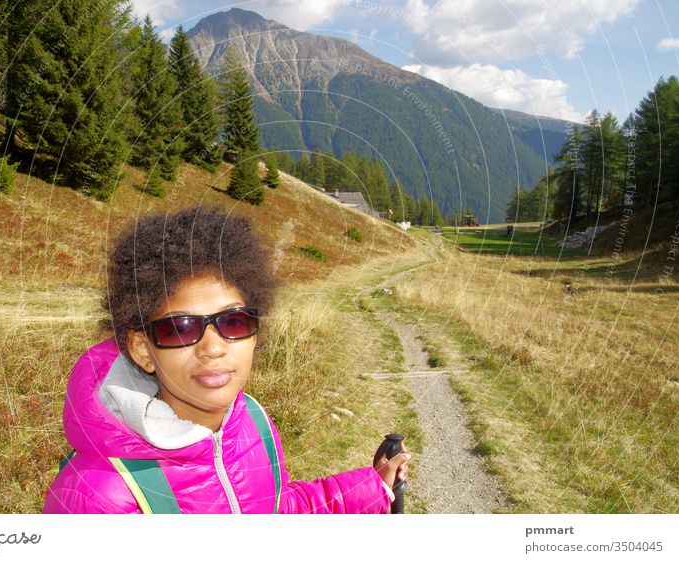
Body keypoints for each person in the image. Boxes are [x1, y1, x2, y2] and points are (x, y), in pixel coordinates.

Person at [43, 206, 410, 514]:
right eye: (180, 328)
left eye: (233, 321)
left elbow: (273, 512)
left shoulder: (251, 422)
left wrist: (372, 487)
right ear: (143, 349)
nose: (213, 348)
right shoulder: (98, 496)